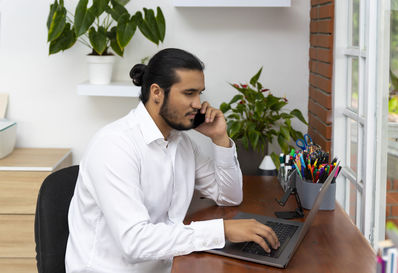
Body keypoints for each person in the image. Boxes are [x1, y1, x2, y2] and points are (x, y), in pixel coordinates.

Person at [65, 48, 279, 273]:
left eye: (200, 93)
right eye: (189, 93)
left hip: (168, 264)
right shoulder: (114, 145)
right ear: (156, 92)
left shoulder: (182, 143)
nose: (198, 104)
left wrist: (220, 138)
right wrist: (222, 231)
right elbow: (134, 242)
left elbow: (229, 197)